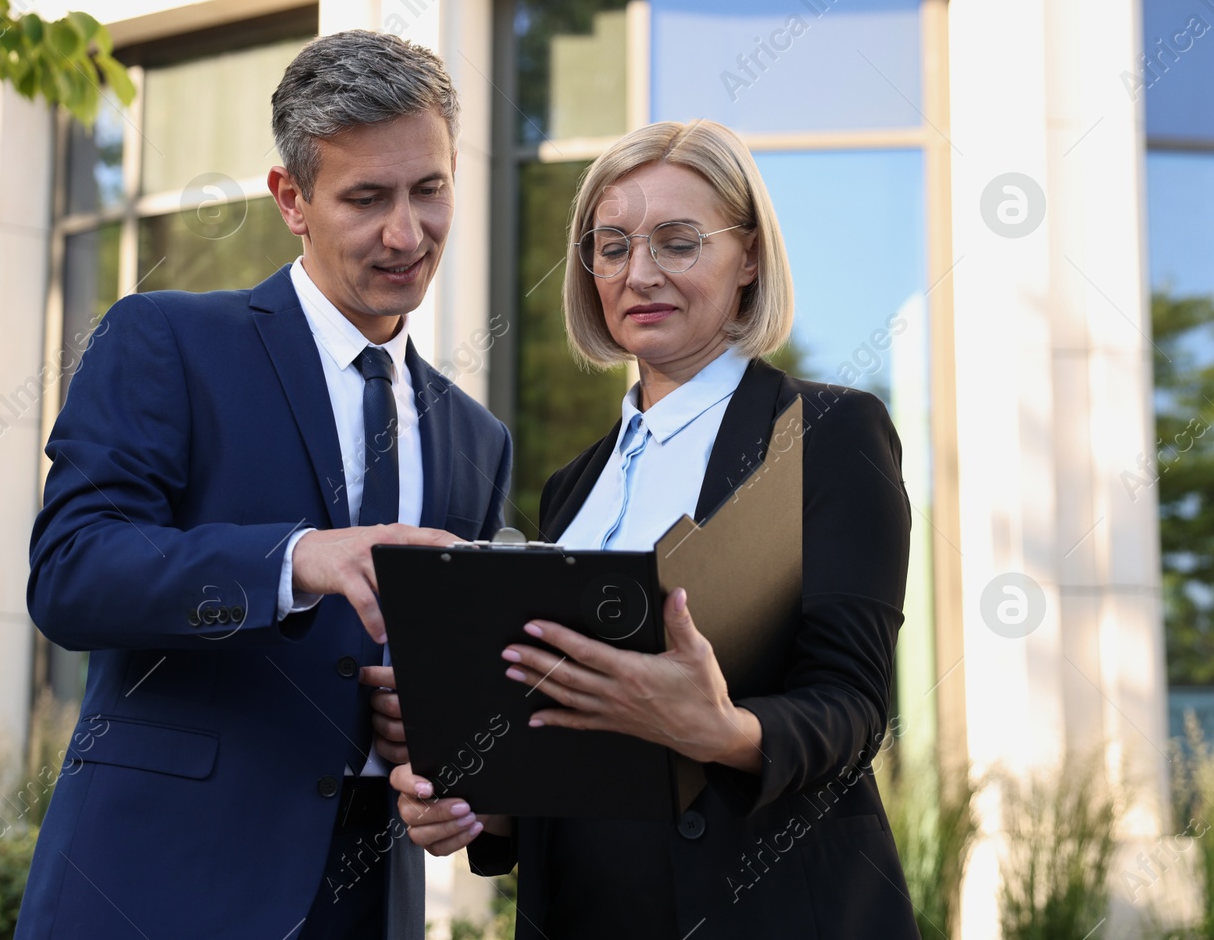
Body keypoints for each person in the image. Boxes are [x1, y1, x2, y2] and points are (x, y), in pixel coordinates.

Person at [16, 30, 512, 940]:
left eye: (429, 189)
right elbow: (71, 573)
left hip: (370, 903)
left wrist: (457, 772)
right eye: (367, 198)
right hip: (160, 891)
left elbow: (450, 691)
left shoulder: (477, 440)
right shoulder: (166, 341)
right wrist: (296, 559)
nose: (407, 233)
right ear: (292, 199)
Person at [391, 119, 920, 938]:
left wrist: (726, 730)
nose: (639, 274)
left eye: (678, 242)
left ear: (747, 256)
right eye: (612, 246)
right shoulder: (573, 485)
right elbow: (564, 734)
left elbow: (852, 707)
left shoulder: (826, 433)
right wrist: (484, 810)